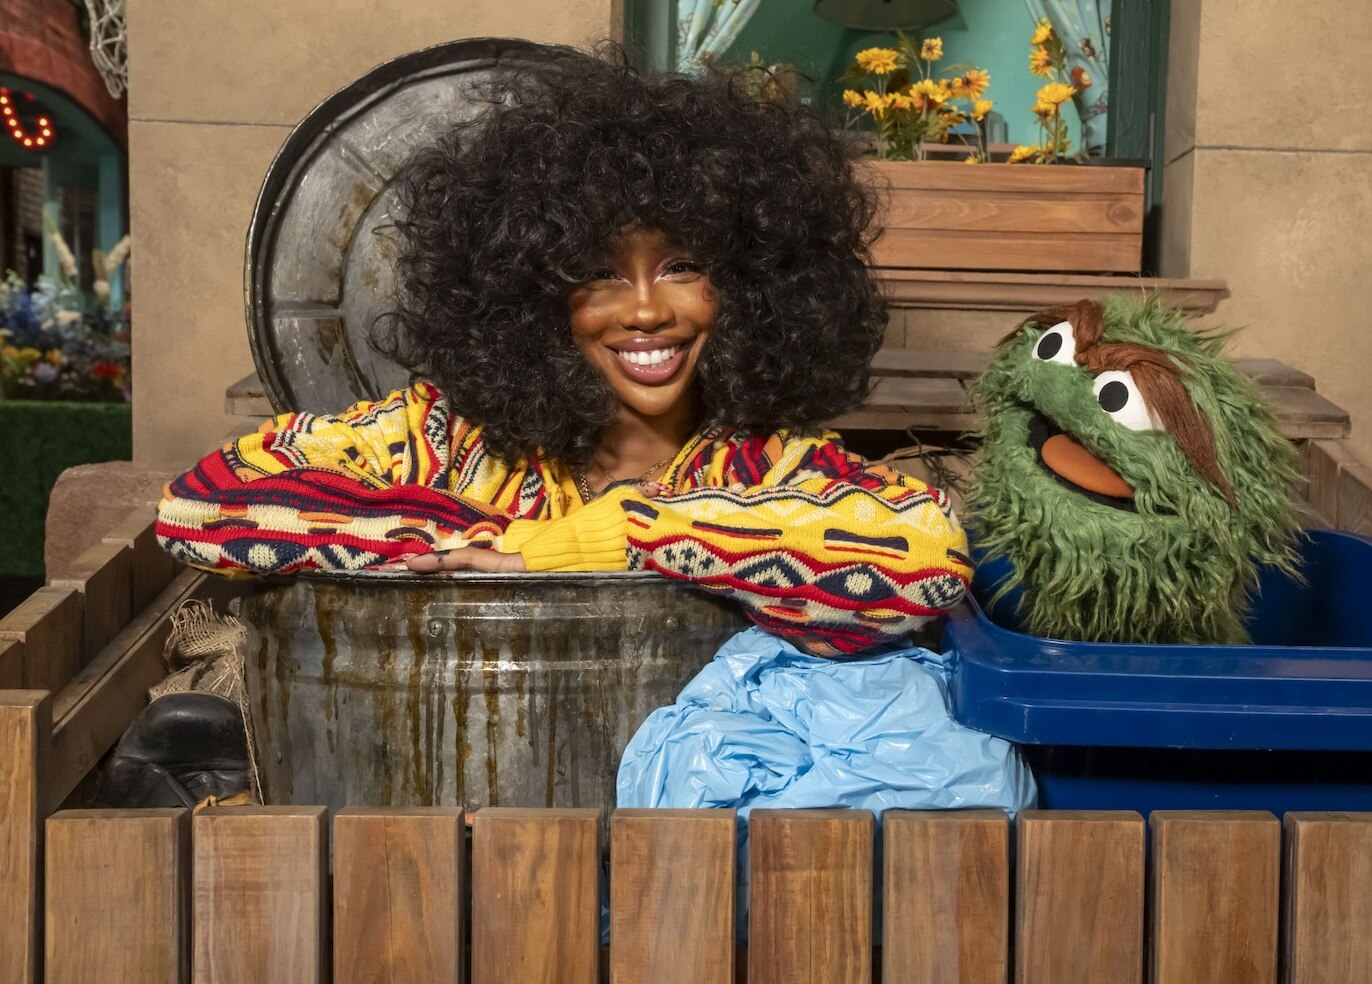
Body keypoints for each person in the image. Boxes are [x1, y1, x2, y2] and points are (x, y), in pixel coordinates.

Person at [156, 46, 972, 657]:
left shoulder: (771, 467)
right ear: (533, 293)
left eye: (684, 267)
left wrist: (587, 541)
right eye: (598, 273)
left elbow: (929, 556)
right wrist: (451, 537)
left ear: (753, 285)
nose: (648, 309)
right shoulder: (448, 440)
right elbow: (205, 502)